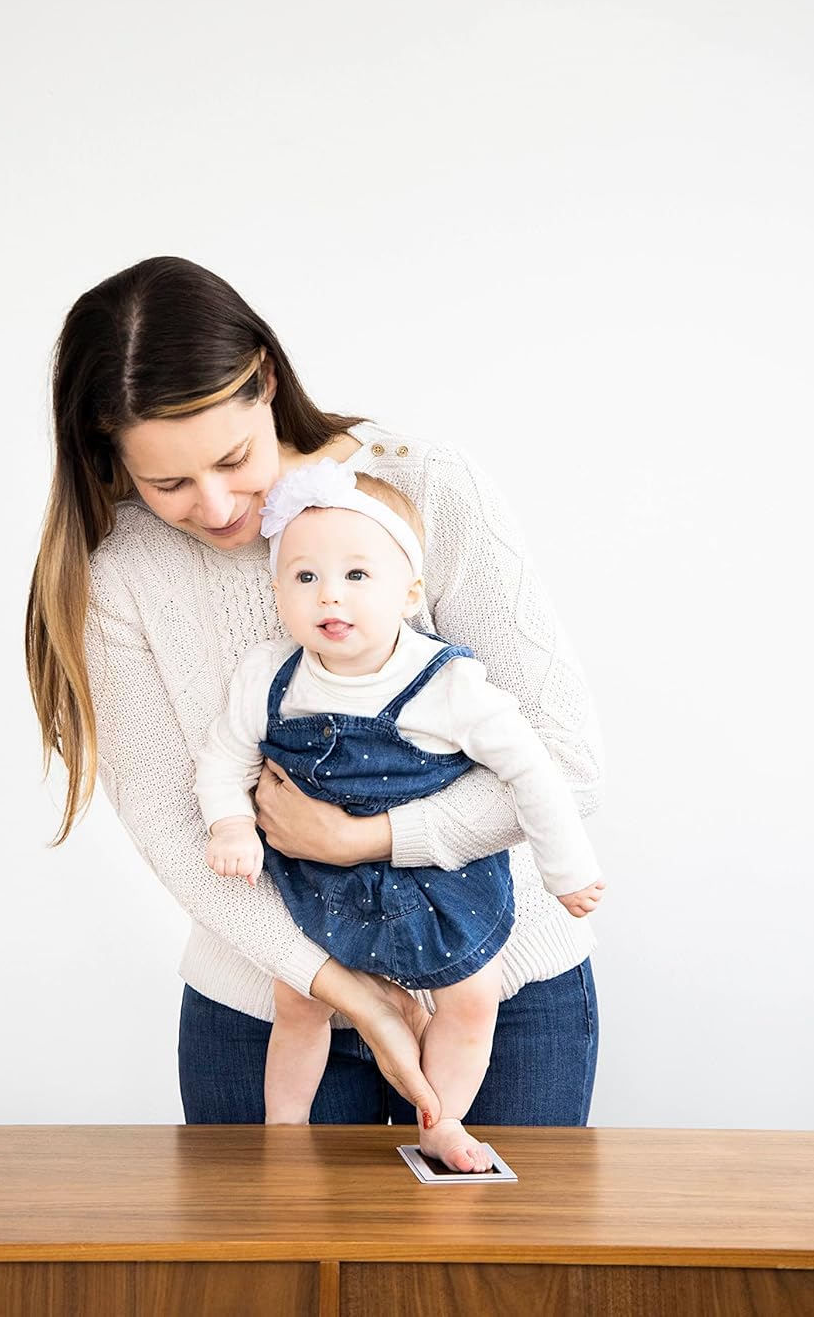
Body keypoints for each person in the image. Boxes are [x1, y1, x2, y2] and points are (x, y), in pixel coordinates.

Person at [25, 255, 604, 1130]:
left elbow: (563, 763)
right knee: (277, 1272)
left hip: (502, 987)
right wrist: (340, 989)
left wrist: (359, 839)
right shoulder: (124, 575)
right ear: (110, 454)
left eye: (233, 458)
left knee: (489, 1271)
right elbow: (167, 819)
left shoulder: (424, 489)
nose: (219, 507)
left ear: (265, 380)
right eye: (168, 482)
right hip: (264, 1000)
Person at [197, 460, 604, 1170]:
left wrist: (566, 870)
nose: (330, 594)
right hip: (317, 882)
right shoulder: (269, 674)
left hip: (436, 886)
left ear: (409, 591)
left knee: (472, 999)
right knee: (296, 999)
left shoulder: (446, 682)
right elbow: (224, 758)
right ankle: (283, 1130)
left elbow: (535, 772)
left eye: (357, 576)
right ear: (276, 593)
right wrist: (230, 822)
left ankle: (440, 1120)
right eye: (304, 577)